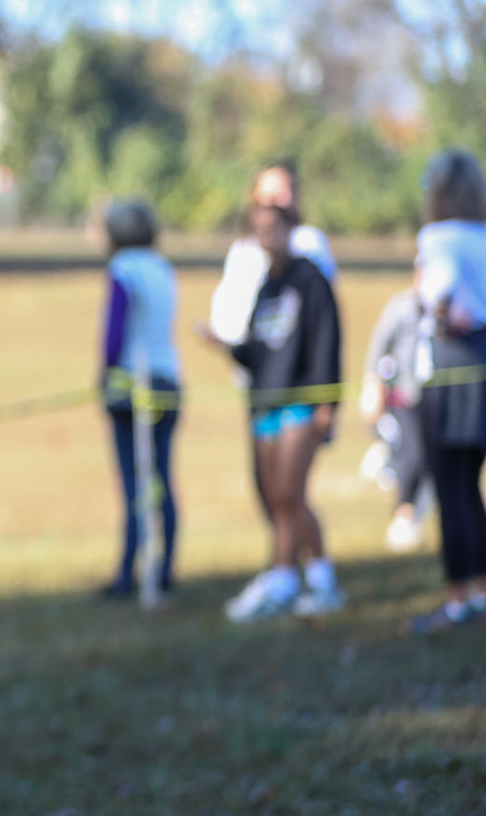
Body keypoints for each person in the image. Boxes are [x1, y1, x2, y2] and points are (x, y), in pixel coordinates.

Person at [194, 202, 343, 622]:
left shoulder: (310, 278)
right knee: (275, 496)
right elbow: (259, 352)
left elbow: (327, 340)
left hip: (300, 400)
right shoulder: (267, 285)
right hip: (266, 403)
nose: (268, 236)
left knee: (290, 493)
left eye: (274, 228)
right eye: (259, 230)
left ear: (290, 228)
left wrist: (326, 402)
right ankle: (294, 577)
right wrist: (224, 345)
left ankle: (310, 578)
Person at [404, 150, 486, 634]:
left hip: (452, 365)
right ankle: (479, 590)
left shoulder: (437, 237)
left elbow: (438, 291)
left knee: (451, 486)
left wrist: (434, 309)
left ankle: (457, 598)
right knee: (471, 486)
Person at [98, 199, 180, 597]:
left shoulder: (123, 269)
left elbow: (114, 332)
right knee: (162, 477)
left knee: (135, 482)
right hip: (169, 380)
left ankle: (130, 570)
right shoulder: (163, 268)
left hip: (132, 382)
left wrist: (107, 372)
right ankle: (164, 566)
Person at [362, 273, 429, 551]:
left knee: (429, 461)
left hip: (438, 399)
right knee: (413, 455)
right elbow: (378, 350)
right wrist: (373, 389)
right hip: (404, 397)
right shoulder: (401, 307)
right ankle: (404, 515)